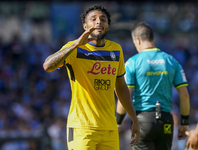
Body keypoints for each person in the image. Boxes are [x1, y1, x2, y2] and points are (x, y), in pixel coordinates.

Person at [43, 4, 140, 150]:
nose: (98, 22)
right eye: (93, 19)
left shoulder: (116, 49)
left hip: (109, 128)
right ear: (85, 26)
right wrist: (76, 44)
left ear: (108, 25)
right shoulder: (75, 49)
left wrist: (134, 120)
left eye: (103, 19)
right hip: (82, 127)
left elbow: (120, 87)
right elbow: (47, 66)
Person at [116, 22, 190, 150]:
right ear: (153, 38)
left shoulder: (133, 62)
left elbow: (124, 95)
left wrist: (117, 123)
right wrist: (184, 123)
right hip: (166, 120)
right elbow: (184, 95)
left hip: (142, 120)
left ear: (137, 40)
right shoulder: (171, 61)